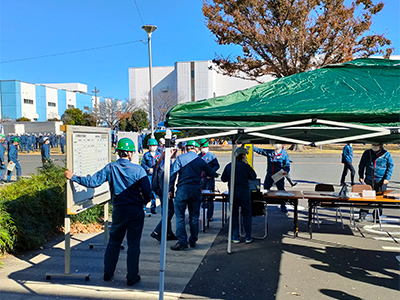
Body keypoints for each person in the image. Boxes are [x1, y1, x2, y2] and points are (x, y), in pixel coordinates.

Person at [65, 138, 151, 286]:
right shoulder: (139, 170)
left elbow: (93, 182)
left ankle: (108, 272)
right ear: (130, 154)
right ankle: (132, 276)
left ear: (118, 152)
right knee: (133, 243)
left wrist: (73, 177)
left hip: (119, 210)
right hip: (135, 210)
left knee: (114, 242)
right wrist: (143, 202)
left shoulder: (110, 168)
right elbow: (147, 192)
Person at [169, 140, 218, 250]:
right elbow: (210, 172)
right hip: (196, 190)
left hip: (183, 189)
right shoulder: (199, 161)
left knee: (180, 217)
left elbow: (172, 174)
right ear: (196, 148)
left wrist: (170, 189)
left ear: (187, 148)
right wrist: (215, 174)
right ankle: (193, 240)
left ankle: (182, 241)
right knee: (194, 217)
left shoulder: (180, 158)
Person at [221, 147, 257, 243]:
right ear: (243, 156)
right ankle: (248, 236)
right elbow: (253, 176)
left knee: (234, 215)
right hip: (244, 192)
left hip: (233, 192)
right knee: (246, 215)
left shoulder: (229, 166)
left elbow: (223, 179)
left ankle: (235, 236)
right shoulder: (246, 166)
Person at [357, 143, 394, 221]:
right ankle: (362, 215)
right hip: (369, 179)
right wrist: (361, 175)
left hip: (381, 180)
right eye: (373, 144)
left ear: (380, 146)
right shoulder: (367, 153)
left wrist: (387, 178)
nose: (374, 146)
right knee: (366, 198)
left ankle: (377, 216)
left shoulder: (386, 154)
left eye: (376, 145)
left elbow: (390, 166)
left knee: (380, 199)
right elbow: (361, 165)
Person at [150, 149, 178, 242]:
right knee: (169, 211)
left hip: (160, 190)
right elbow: (164, 178)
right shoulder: (165, 163)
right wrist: (168, 191)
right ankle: (157, 230)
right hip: (164, 191)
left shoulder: (161, 160)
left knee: (166, 211)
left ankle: (167, 232)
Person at [254, 144, 291, 212]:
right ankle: (262, 205)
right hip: (270, 175)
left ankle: (283, 205)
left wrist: (286, 171)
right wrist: (252, 147)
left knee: (281, 190)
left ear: (282, 145)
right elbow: (260, 151)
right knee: (265, 189)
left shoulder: (284, 154)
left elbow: (287, 164)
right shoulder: (271, 152)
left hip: (279, 175)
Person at [198, 138, 220, 221]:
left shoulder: (211, 156)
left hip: (209, 179)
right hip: (201, 179)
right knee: (201, 198)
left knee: (209, 198)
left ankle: (209, 215)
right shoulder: (198, 156)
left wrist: (211, 173)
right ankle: (202, 214)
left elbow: (217, 165)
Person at [141, 138, 160, 214]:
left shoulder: (159, 154)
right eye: (151, 145)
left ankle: (153, 208)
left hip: (156, 176)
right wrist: (148, 169)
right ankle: (144, 207)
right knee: (146, 191)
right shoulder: (146, 155)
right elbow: (142, 164)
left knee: (154, 192)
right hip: (148, 175)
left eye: (154, 145)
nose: (153, 147)